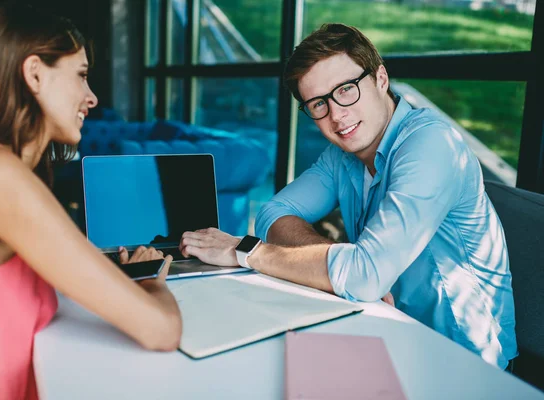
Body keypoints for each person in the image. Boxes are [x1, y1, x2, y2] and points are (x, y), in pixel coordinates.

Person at [178, 23, 517, 370]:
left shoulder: (431, 146)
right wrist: (335, 268)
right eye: (318, 103)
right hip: (385, 331)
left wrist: (244, 251)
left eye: (346, 90)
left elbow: (364, 275)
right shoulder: (343, 155)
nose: (337, 115)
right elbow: (273, 212)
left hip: (465, 361)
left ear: (380, 79)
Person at [0, 4, 181, 399]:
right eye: (82, 76)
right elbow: (162, 330)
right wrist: (151, 284)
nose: (92, 98)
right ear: (35, 73)